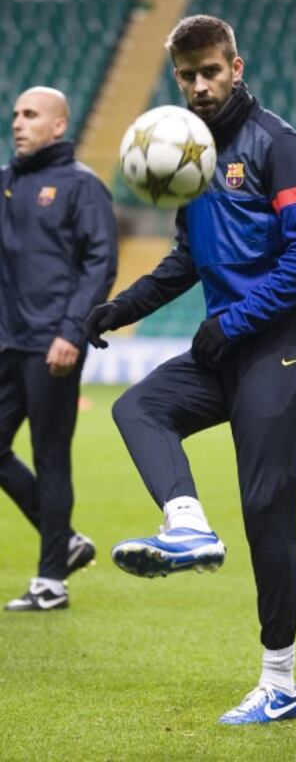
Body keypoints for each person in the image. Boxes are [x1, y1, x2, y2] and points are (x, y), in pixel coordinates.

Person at [85, 15, 296, 724]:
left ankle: (279, 683)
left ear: (236, 66)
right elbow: (189, 261)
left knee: (265, 508)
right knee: (138, 407)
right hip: (227, 344)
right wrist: (116, 308)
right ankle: (188, 524)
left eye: (210, 72)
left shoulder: (275, 145)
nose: (199, 86)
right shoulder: (188, 153)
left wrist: (236, 319)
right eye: (187, 76)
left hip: (283, 344)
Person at [0, 86, 117, 612]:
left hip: (53, 344)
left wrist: (73, 331)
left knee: (51, 458)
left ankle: (51, 581)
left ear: (58, 126)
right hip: (7, 339)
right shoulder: (5, 183)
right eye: (16, 115)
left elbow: (100, 263)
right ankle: (64, 540)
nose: (18, 123)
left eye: (30, 115)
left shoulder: (81, 187)